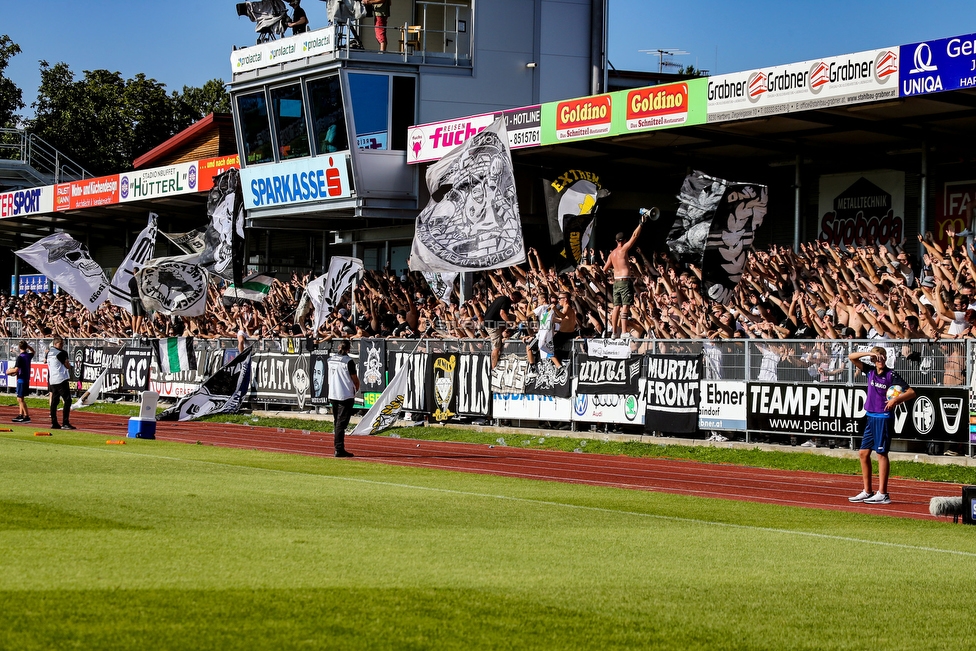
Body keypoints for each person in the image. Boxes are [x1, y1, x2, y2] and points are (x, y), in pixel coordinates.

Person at [847, 346, 915, 505]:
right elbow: (852, 357)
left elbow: (911, 392)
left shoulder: (891, 375)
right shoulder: (869, 371)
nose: (880, 359)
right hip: (870, 416)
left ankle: (883, 493)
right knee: (863, 453)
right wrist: (870, 354)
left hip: (883, 417)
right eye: (877, 357)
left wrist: (896, 400)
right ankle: (867, 491)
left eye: (882, 356)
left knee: (881, 453)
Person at [602, 214, 647, 338]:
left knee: (616, 307)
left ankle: (614, 332)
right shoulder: (623, 249)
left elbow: (605, 269)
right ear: (623, 241)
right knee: (625, 306)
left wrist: (614, 271)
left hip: (616, 282)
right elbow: (635, 235)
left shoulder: (612, 254)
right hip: (624, 281)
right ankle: (624, 332)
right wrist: (641, 224)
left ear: (616, 241)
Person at [328, 340, 360, 457]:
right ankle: (339, 448)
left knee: (337, 422)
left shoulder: (330, 359)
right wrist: (356, 388)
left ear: (338, 347)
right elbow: (355, 379)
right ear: (348, 349)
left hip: (333, 394)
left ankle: (338, 447)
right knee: (341, 424)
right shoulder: (348, 361)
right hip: (345, 395)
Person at [483, 289, 521, 369]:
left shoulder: (501, 298)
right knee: (496, 348)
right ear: (514, 298)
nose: (515, 304)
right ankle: (493, 368)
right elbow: (502, 313)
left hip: (490, 321)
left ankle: (503, 333)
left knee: (513, 317)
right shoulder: (507, 301)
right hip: (492, 325)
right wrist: (510, 323)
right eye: (516, 302)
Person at [46, 336, 75, 430]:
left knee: (54, 401)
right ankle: (65, 422)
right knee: (67, 400)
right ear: (55, 344)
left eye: (62, 343)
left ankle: (54, 422)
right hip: (61, 379)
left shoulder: (49, 352)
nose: (62, 345)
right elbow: (67, 366)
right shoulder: (61, 353)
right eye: (60, 343)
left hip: (52, 379)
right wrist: (69, 365)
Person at [7, 340, 34, 422]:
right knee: (20, 398)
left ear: (19, 347)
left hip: (21, 379)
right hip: (26, 378)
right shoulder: (28, 355)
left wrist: (8, 372)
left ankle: (26, 416)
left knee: (20, 399)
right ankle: (20, 414)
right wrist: (28, 346)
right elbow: (33, 351)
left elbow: (16, 369)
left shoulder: (20, 357)